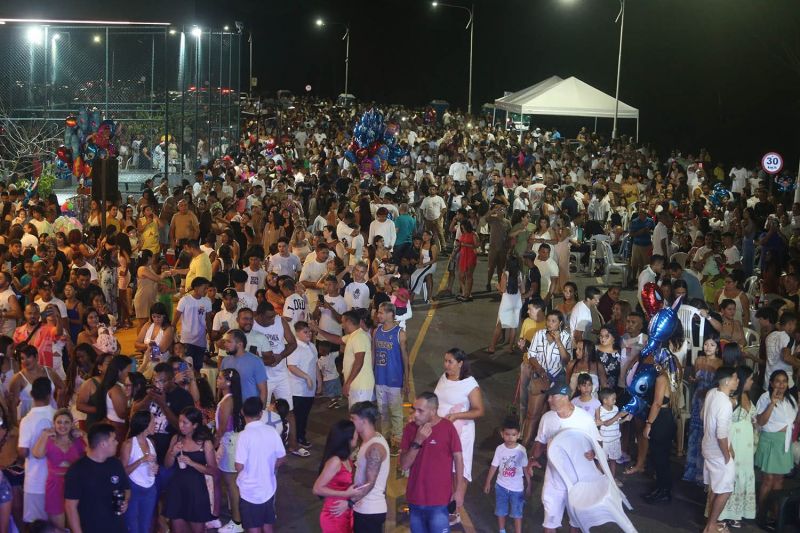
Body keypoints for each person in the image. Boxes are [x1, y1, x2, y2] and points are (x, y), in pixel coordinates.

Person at [526, 378, 600, 533]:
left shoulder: (585, 419)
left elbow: (598, 443)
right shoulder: (547, 418)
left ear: (566, 397)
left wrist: (594, 453)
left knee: (575, 522)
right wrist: (532, 459)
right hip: (554, 480)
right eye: (548, 396)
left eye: (553, 396)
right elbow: (540, 441)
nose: (548, 399)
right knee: (549, 522)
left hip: (578, 481)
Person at [399, 392, 465, 533]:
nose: (415, 414)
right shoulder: (410, 429)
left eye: (420, 411)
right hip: (415, 499)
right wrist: (418, 440)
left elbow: (458, 458)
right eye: (414, 409)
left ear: (433, 411)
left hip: (440, 501)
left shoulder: (448, 428)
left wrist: (459, 490)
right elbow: (404, 465)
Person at [64, 423, 129, 533]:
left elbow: (127, 489)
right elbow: (70, 507)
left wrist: (125, 501)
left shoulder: (116, 464)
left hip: (117, 527)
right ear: (103, 444)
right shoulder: (77, 471)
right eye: (113, 440)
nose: (117, 442)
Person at [235, 396, 287, 533]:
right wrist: (269, 466)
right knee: (267, 524)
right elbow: (282, 457)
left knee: (253, 527)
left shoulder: (243, 435)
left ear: (242, 412)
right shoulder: (271, 431)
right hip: (268, 487)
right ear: (260, 414)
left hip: (249, 491)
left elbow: (239, 466)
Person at [522, 310, 572, 446]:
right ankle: (525, 445)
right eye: (548, 320)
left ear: (560, 323)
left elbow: (566, 360)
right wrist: (539, 369)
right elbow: (531, 355)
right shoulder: (539, 334)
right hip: (540, 377)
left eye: (553, 321)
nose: (550, 323)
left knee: (552, 416)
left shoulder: (566, 337)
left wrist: (558, 341)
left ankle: (545, 447)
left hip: (557, 379)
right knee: (532, 414)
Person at [163, 406, 217, 530]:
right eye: (180, 421)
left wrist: (192, 463)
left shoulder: (205, 443)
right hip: (177, 488)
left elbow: (213, 470)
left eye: (185, 423)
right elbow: (167, 465)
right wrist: (173, 452)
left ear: (195, 425)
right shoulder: (176, 439)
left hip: (196, 490)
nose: (181, 426)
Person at [31, 408, 86, 529]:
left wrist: (83, 434)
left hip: (74, 484)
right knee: (58, 527)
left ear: (72, 424)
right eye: (59, 422)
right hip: (54, 485)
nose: (62, 425)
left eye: (66, 422)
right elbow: (37, 454)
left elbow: (93, 451)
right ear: (54, 424)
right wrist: (44, 435)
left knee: (75, 525)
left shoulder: (78, 440)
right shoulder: (49, 440)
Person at [755, 370, 797, 526]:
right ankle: (761, 512)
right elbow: (760, 422)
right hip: (770, 441)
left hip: (784, 442)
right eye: (778, 381)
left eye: (784, 381)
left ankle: (775, 513)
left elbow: (794, 421)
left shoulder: (790, 399)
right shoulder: (765, 397)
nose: (781, 384)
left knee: (779, 480)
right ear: (771, 383)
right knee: (768, 480)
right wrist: (772, 403)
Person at [717, 366, 756, 527]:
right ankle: (721, 515)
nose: (752, 382)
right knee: (731, 477)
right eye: (750, 379)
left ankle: (736, 512)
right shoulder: (731, 398)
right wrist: (729, 446)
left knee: (743, 476)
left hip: (746, 445)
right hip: (735, 442)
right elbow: (723, 424)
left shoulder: (747, 396)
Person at [702, 367, 739, 533]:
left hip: (708, 447)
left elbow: (703, 416)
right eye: (735, 378)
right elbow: (721, 434)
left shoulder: (712, 393)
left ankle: (710, 523)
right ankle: (711, 526)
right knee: (725, 490)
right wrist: (727, 455)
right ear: (727, 381)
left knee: (716, 488)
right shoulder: (725, 403)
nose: (738, 381)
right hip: (718, 452)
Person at [18, 377, 57, 525]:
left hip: (34, 481)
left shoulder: (27, 420)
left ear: (32, 394)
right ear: (50, 394)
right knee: (56, 525)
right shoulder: (58, 416)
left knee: (35, 524)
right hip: (56, 480)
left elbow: (23, 452)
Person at [684, 337, 723, 485]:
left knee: (706, 433)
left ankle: (703, 474)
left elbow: (718, 384)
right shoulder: (699, 360)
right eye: (706, 344)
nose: (708, 347)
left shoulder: (720, 363)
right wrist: (694, 380)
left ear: (717, 348)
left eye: (712, 345)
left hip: (710, 399)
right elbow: (696, 379)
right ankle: (691, 471)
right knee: (695, 433)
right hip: (698, 398)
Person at [315, 310, 374, 407]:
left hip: (360, 385)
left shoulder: (360, 337)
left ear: (349, 322)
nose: (342, 325)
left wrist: (347, 383)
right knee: (356, 413)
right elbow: (337, 339)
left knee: (360, 414)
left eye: (343, 322)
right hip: (357, 385)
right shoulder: (352, 336)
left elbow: (359, 361)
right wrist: (318, 330)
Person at [312, 419, 363, 533]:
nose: (358, 436)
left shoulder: (346, 458)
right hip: (334, 514)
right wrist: (345, 494)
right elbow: (317, 489)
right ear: (348, 438)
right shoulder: (335, 461)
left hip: (345, 511)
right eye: (355, 433)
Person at [483, 416, 531, 533]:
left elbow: (525, 468)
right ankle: (502, 530)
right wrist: (488, 482)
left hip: (517, 489)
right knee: (501, 511)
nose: (510, 438)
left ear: (519, 435)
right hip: (501, 486)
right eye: (507, 434)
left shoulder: (521, 450)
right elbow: (494, 466)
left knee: (517, 513)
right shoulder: (499, 449)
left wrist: (529, 485)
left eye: (513, 435)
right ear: (502, 434)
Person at [372, 302, 409, 455]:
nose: (378, 315)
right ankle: (386, 438)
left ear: (390, 314)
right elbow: (373, 354)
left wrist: (406, 381)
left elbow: (405, 358)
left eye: (381, 312)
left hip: (394, 380)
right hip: (380, 378)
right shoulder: (376, 331)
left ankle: (397, 441)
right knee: (383, 412)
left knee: (396, 413)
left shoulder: (400, 333)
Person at [348, 401, 390, 532]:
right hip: (364, 508)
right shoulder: (369, 440)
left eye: (353, 418)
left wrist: (349, 503)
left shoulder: (375, 447)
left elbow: (369, 483)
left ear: (364, 421)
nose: (350, 422)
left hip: (369, 511)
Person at [214, 369, 245, 533]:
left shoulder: (227, 401)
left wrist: (214, 445)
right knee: (234, 483)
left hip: (229, 443)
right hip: (233, 441)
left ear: (228, 382)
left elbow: (221, 429)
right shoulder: (231, 399)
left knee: (231, 483)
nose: (217, 380)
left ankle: (237, 521)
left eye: (220, 378)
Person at [120, 410, 159, 533]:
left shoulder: (151, 443)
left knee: (145, 526)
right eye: (153, 422)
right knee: (132, 525)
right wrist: (141, 460)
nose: (155, 424)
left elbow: (154, 463)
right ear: (145, 424)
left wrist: (155, 468)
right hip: (133, 488)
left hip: (150, 488)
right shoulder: (128, 444)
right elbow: (123, 472)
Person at [642, 363, 676, 504]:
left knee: (660, 457)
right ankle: (661, 488)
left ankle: (664, 491)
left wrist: (648, 424)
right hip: (665, 417)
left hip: (660, 418)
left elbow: (657, 403)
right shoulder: (669, 376)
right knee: (661, 457)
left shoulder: (662, 378)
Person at [287, 321, 320, 448]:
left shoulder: (312, 346)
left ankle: (300, 436)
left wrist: (319, 381)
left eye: (309, 331)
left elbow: (315, 364)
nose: (309, 334)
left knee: (305, 414)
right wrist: (306, 377)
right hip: (297, 389)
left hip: (309, 389)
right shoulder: (295, 347)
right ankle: (296, 438)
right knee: (297, 415)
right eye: (305, 332)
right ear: (297, 333)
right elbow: (291, 366)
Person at [220, 329, 268, 405]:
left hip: (250, 408)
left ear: (240, 344)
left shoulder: (256, 361)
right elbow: (221, 386)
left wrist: (261, 410)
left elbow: (263, 390)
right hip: (230, 407)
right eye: (225, 341)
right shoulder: (225, 361)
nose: (225, 344)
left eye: (229, 342)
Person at [174, 277, 213, 370]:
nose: (206, 291)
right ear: (196, 287)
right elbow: (175, 319)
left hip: (201, 340)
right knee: (186, 367)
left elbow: (208, 321)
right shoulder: (185, 300)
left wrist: (211, 339)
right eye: (204, 288)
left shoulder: (207, 301)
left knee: (198, 367)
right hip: (187, 340)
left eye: (207, 288)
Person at [487, 255, 524, 354]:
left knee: (500, 325)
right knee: (513, 326)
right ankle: (510, 348)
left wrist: (497, 286)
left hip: (507, 302)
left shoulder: (505, 275)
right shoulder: (519, 274)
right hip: (516, 302)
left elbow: (503, 290)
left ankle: (492, 347)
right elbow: (523, 290)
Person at [595, 387, 630, 481]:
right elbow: (606, 423)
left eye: (615, 399)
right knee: (601, 461)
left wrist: (625, 419)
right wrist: (618, 415)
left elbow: (617, 422)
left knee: (613, 461)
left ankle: (612, 479)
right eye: (613, 399)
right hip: (604, 441)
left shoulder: (615, 408)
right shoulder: (600, 410)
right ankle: (597, 480)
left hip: (615, 440)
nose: (615, 401)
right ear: (605, 400)